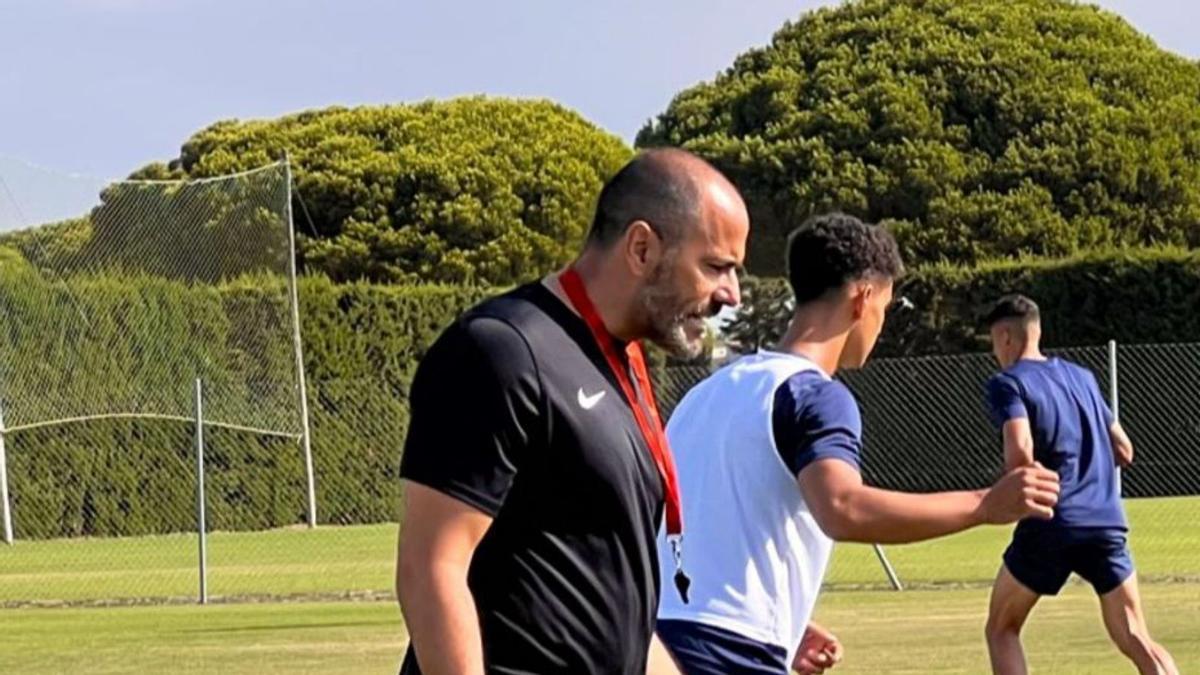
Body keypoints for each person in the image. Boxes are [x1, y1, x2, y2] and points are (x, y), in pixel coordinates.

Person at [654, 213, 1062, 675]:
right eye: (885, 309)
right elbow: (843, 508)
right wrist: (985, 504)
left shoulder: (704, 395)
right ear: (863, 298)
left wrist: (789, 621)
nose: (880, 325)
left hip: (658, 642)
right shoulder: (815, 395)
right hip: (734, 654)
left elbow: (682, 528)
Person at [395, 148, 749, 674]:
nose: (732, 295)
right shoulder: (503, 350)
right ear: (642, 247)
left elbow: (607, 604)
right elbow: (431, 569)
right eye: (716, 266)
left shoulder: (621, 364)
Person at [982, 294, 1178, 675]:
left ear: (1005, 337)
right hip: (1105, 520)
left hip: (1053, 519)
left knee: (1001, 628)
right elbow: (1124, 448)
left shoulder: (1008, 382)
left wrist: (1014, 491)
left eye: (993, 342)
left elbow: (1020, 448)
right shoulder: (1081, 378)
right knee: (1136, 635)